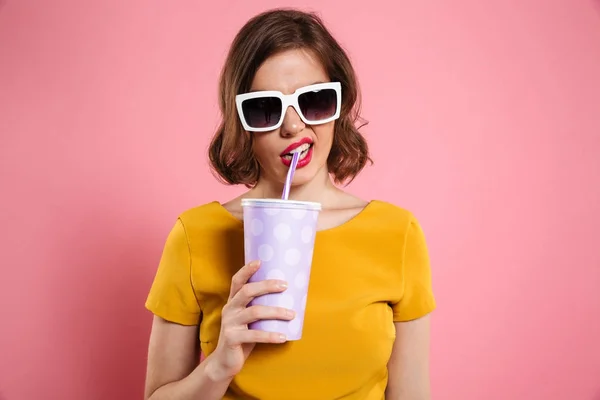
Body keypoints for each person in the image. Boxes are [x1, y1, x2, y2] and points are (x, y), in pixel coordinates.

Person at [143, 8, 436, 400]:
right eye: (265, 108)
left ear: (340, 105)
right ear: (242, 122)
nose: (293, 126)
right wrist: (218, 367)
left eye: (313, 101)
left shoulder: (397, 234)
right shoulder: (195, 236)